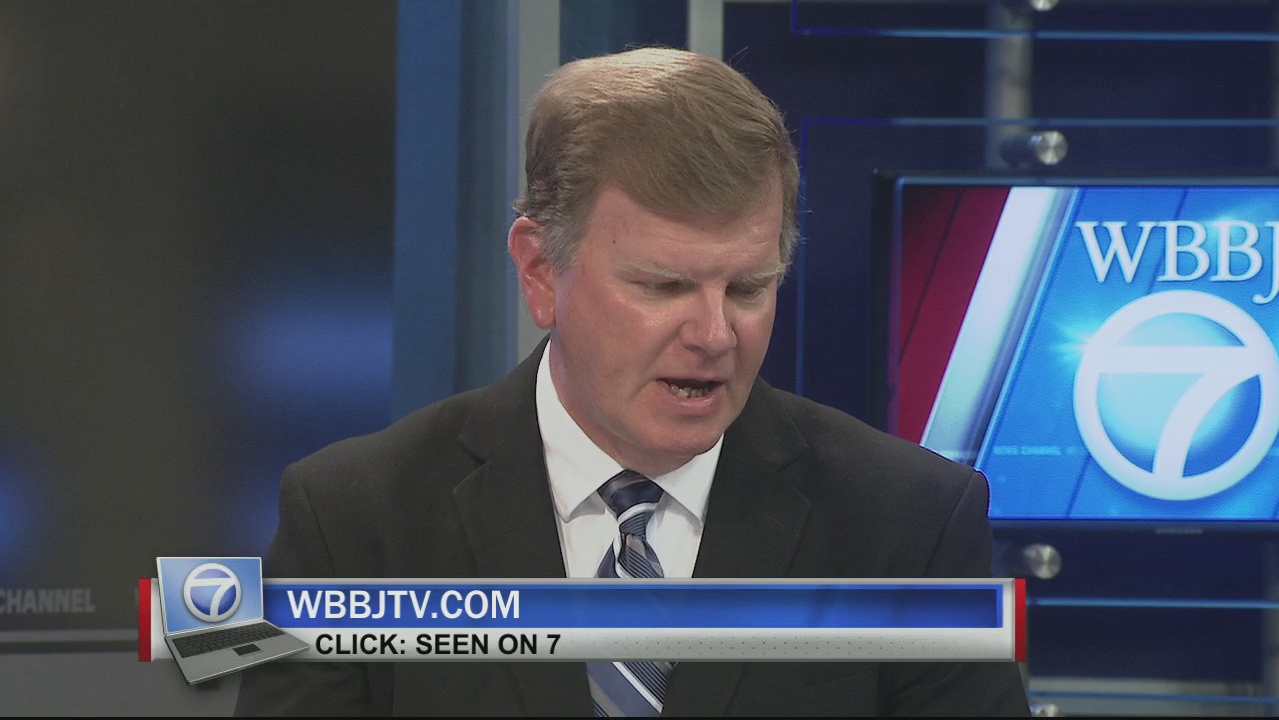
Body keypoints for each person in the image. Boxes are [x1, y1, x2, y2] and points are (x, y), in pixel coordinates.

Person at [234, 47, 1030, 717]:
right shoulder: (354, 521)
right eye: (663, 286)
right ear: (540, 271)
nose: (714, 335)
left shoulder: (909, 525)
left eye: (747, 288)